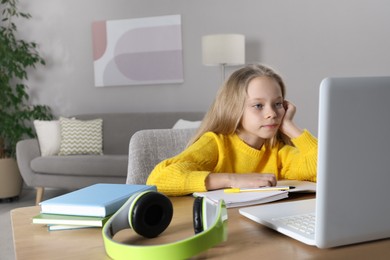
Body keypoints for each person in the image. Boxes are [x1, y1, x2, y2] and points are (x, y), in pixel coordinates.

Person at [147, 64, 317, 196]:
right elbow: (158, 179)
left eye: (278, 104)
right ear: (234, 108)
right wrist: (233, 179)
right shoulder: (216, 144)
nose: (272, 113)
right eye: (258, 105)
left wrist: (290, 127)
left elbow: (325, 169)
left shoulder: (277, 151)